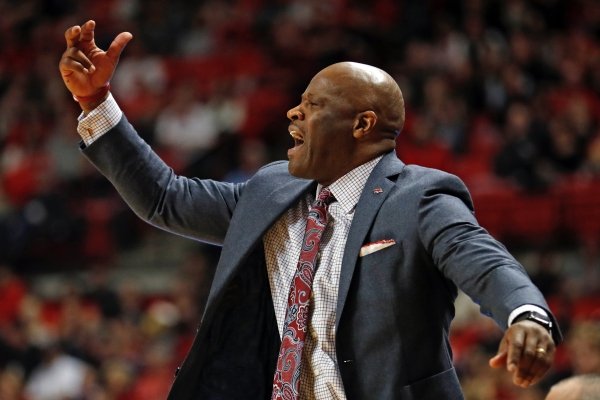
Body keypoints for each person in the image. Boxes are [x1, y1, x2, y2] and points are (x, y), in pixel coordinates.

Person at [58, 20, 562, 400]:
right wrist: (96, 101)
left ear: (363, 124)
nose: (293, 112)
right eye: (299, 100)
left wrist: (526, 315)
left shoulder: (421, 198)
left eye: (315, 104)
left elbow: (485, 260)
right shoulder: (270, 189)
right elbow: (165, 198)